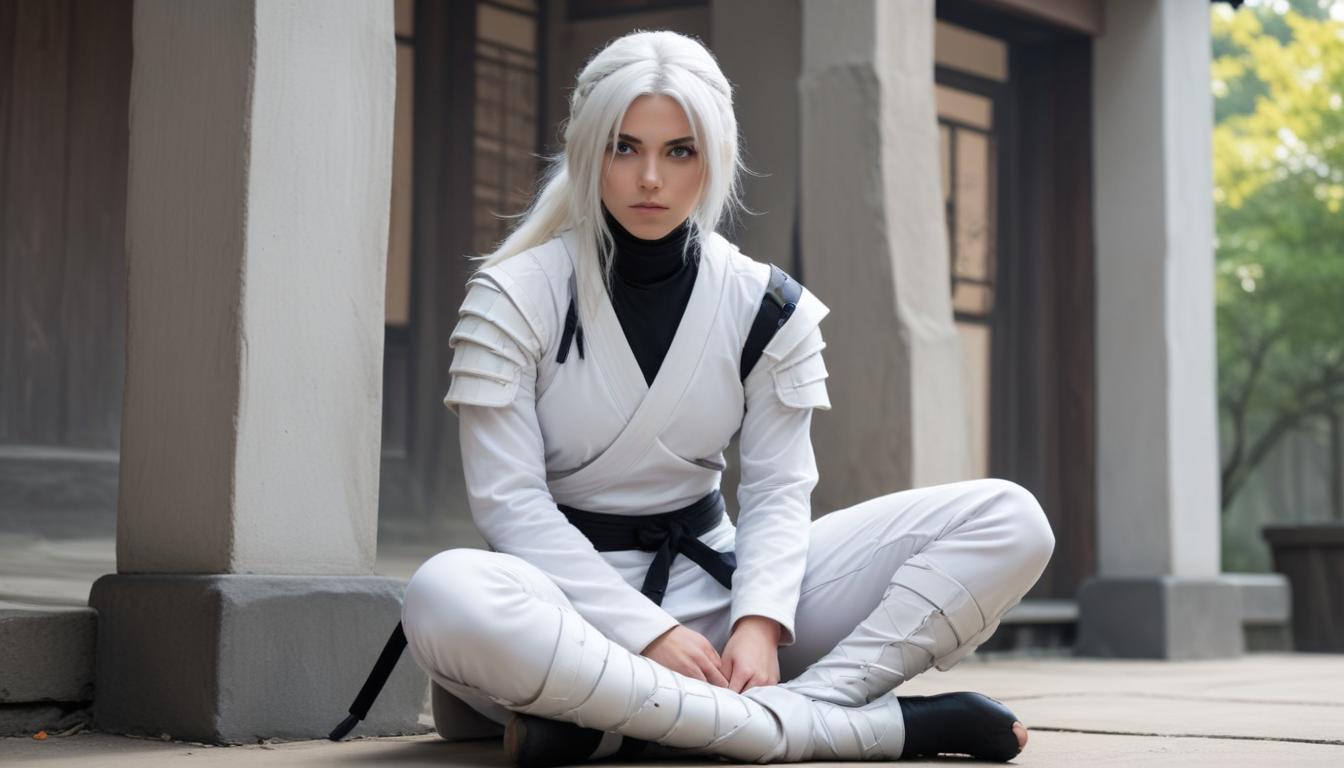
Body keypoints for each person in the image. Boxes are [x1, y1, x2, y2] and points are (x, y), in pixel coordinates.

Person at [400, 29, 1055, 766]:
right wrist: (647, 634)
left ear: (715, 157)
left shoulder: (765, 303)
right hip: (567, 612)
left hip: (724, 590)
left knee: (1012, 519)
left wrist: (759, 620)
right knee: (443, 592)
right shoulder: (513, 298)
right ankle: (865, 729)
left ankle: (637, 724)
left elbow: (778, 490)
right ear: (589, 150)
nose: (651, 177)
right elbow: (510, 507)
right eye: (625, 147)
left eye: (680, 150)